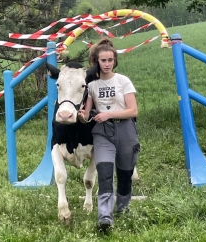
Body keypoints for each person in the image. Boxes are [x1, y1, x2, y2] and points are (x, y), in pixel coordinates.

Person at [78, 37, 140, 232]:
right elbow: (87, 115)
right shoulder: (92, 87)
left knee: (125, 173)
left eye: (110, 60)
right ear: (97, 61)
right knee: (104, 174)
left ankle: (123, 207)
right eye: (103, 60)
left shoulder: (123, 81)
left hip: (125, 129)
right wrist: (81, 116)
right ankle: (105, 217)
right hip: (102, 134)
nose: (106, 64)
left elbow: (133, 110)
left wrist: (108, 114)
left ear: (114, 61)